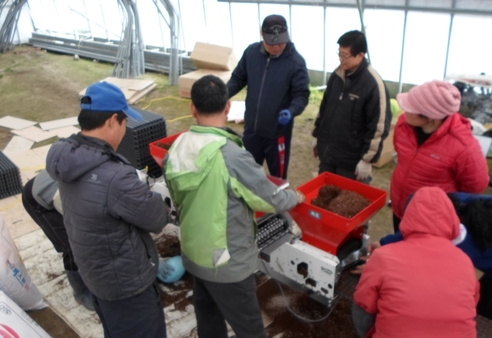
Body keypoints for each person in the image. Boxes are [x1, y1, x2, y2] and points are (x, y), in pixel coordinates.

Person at [164, 75, 305, 338]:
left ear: (192, 107)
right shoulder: (231, 156)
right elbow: (269, 198)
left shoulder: (178, 147)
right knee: (250, 328)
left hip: (195, 252)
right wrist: (295, 197)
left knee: (208, 317)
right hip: (227, 263)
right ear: (228, 106)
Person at [46, 81, 171, 338]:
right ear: (113, 120)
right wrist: (156, 200)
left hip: (97, 277)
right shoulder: (114, 176)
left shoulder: (69, 157)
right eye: (125, 122)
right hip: (127, 286)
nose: (125, 129)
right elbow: (157, 218)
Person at [378, 192, 492, 327]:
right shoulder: (455, 203)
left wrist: (384, 266)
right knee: (479, 305)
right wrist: (384, 245)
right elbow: (420, 228)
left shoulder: (465, 241)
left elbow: (428, 266)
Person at [352, 186, 479, 338]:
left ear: (409, 217)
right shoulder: (465, 262)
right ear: (451, 219)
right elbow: (472, 302)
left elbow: (364, 304)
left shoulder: (384, 257)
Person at [390, 79, 489, 232]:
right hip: (400, 206)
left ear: (429, 117)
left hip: (429, 219)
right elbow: (402, 154)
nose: (404, 111)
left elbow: (475, 186)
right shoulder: (404, 125)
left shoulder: (464, 146)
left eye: (410, 108)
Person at [226, 14, 310, 179]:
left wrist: (291, 111)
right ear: (262, 35)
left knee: (278, 177)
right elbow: (238, 79)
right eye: (272, 43)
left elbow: (301, 95)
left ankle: (279, 202)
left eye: (281, 42)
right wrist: (223, 95)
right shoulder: (251, 53)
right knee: (247, 173)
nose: (277, 47)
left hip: (278, 134)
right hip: (252, 130)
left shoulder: (296, 62)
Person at [312, 30, 392, 184]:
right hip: (329, 154)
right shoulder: (337, 76)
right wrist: (318, 135)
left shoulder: (373, 85)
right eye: (339, 54)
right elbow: (325, 108)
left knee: (346, 203)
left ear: (360, 55)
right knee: (325, 196)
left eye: (345, 55)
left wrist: (367, 160)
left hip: (351, 162)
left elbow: (378, 127)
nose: (341, 59)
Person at [21, 170, 94, 311]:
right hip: (39, 199)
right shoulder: (71, 198)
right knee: (73, 246)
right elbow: (77, 220)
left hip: (59, 187)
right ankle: (82, 293)